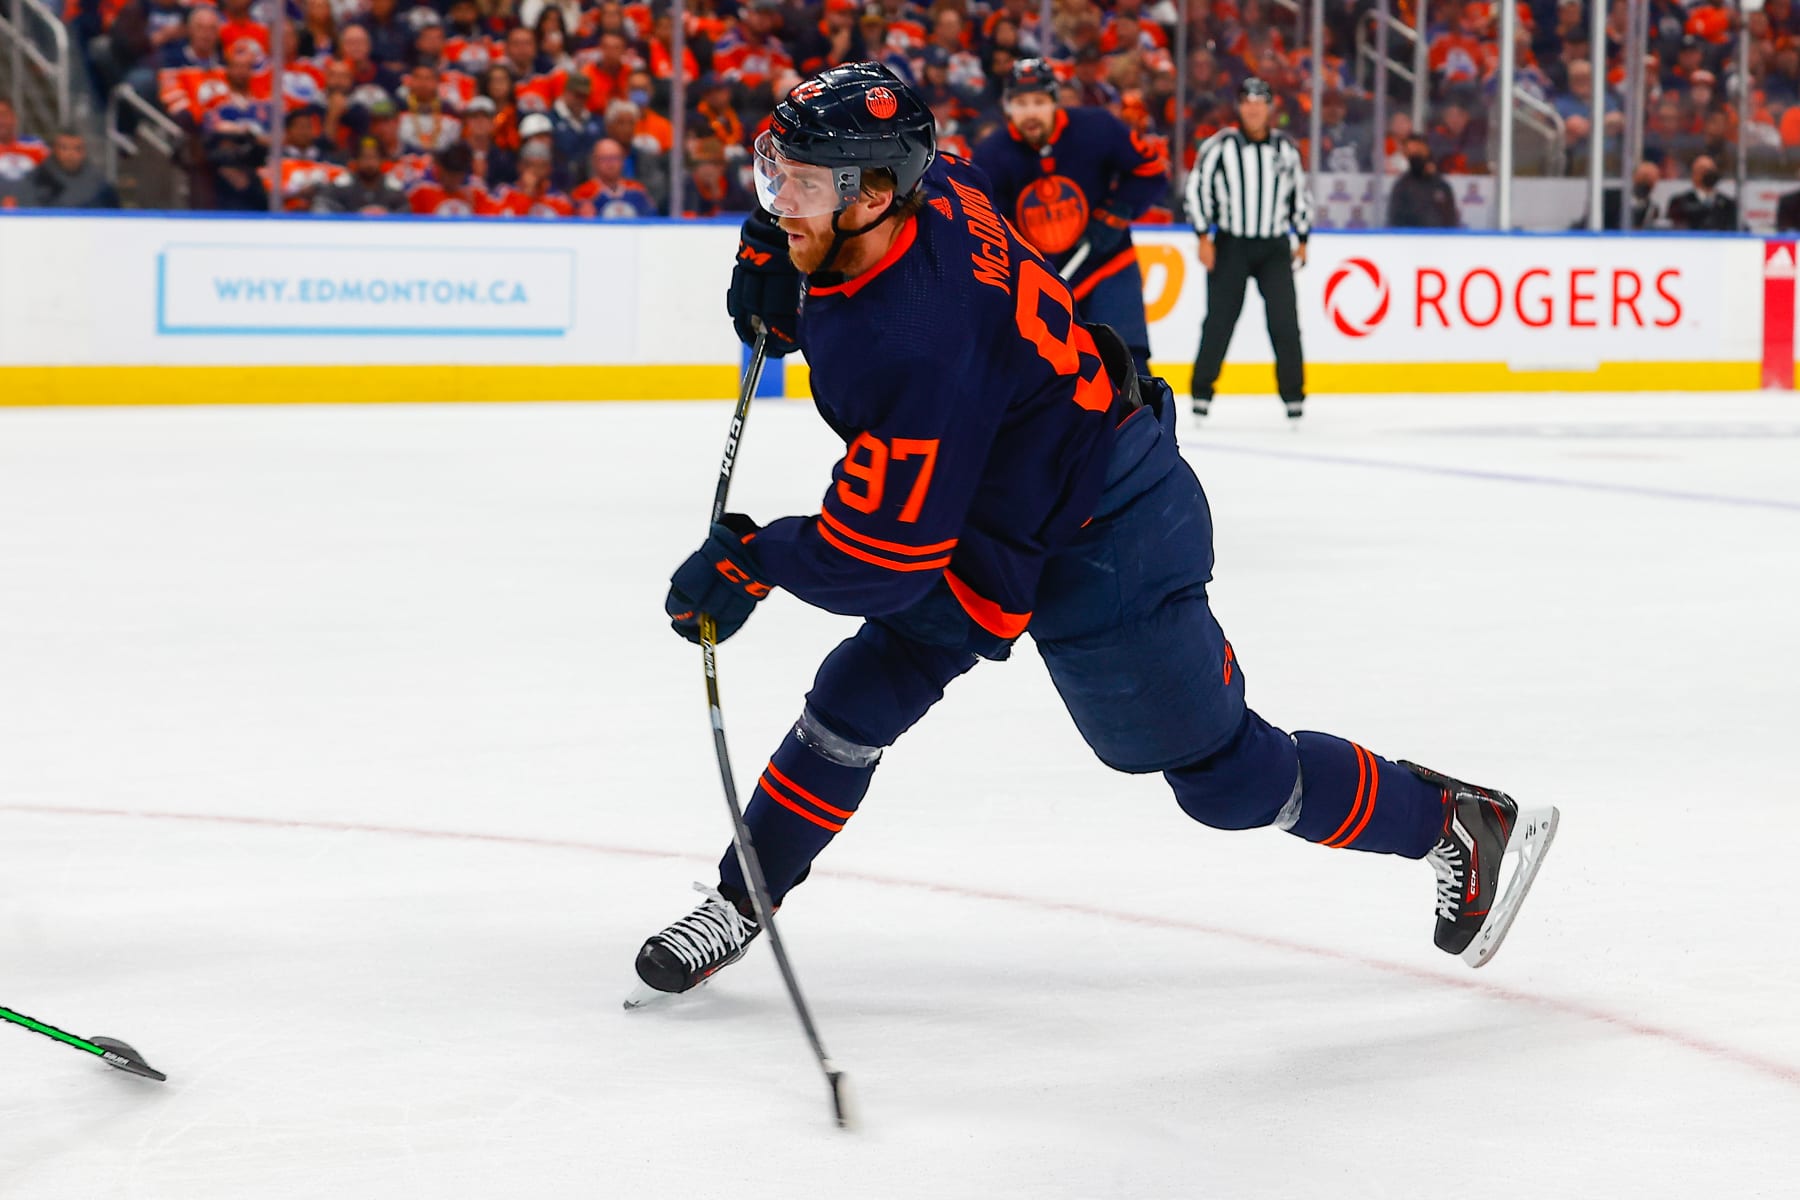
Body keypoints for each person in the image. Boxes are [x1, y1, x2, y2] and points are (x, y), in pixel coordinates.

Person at [631, 62, 1558, 1005]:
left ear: (875, 195)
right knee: (852, 701)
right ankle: (741, 901)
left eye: (804, 184)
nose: (781, 196)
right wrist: (767, 244)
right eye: (773, 172)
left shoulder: (912, 340)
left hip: (1105, 521)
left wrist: (754, 561)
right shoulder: (937, 183)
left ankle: (1452, 821)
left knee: (1225, 778)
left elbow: (881, 556)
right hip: (993, 511)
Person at [972, 58, 1169, 376]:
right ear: (1008, 108)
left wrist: (1117, 211)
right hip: (1040, 281)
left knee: (1127, 363)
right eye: (1020, 103)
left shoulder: (1097, 128)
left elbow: (1151, 171)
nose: (1031, 112)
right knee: (1044, 375)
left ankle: (1145, 426)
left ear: (1054, 101)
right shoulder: (992, 155)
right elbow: (984, 220)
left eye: (1038, 101)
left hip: (1107, 266)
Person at [1184, 77, 1311, 422]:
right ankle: (1201, 393)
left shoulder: (1285, 149)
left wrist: (1302, 238)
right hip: (1231, 244)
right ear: (1240, 107)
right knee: (1219, 321)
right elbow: (1197, 189)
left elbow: (1299, 194)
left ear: (1269, 108)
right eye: (1247, 101)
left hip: (1273, 246)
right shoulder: (1219, 146)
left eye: (1260, 102)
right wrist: (1203, 236)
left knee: (1285, 322)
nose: (1254, 108)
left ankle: (1293, 397)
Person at [1386, 132, 1461, 228]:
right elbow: (1395, 222)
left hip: (1438, 240)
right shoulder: (1402, 186)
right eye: (1411, 154)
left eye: (1419, 152)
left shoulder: (1441, 186)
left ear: (1427, 151)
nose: (1416, 157)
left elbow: (1450, 221)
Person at [28, 130, 121, 208]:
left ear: (84, 152)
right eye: (64, 148)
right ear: (54, 150)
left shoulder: (99, 184)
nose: (70, 154)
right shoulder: (36, 180)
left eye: (77, 149)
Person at [1665, 154, 1738, 231]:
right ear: (1694, 175)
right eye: (1703, 170)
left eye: (1711, 170)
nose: (1708, 174)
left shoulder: (1728, 204)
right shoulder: (1679, 203)